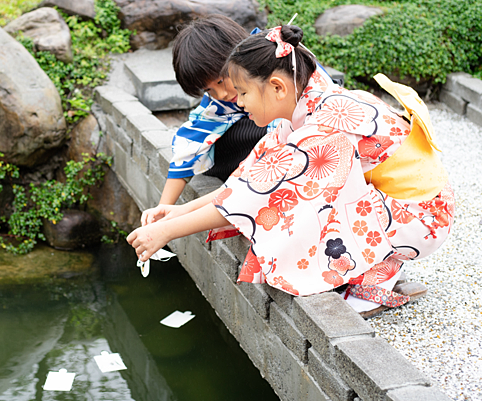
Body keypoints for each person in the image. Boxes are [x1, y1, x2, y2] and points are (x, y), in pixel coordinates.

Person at [128, 25, 454, 316]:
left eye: (242, 94)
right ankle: (370, 263)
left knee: (300, 204)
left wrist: (167, 232)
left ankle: (381, 270)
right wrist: (180, 210)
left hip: (425, 215)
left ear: (276, 87)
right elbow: (249, 180)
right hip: (398, 199)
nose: (238, 104)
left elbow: (257, 196)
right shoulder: (302, 100)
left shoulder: (323, 124)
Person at [160, 15, 278, 205]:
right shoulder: (218, 106)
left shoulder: (279, 64)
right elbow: (189, 146)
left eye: (222, 80)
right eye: (208, 89)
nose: (221, 94)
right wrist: (164, 207)